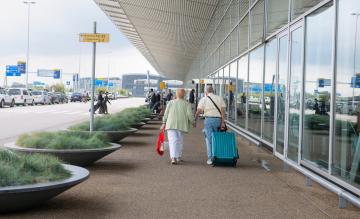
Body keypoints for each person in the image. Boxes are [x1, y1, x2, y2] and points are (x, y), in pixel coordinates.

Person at [161, 89, 195, 165]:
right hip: (182, 125)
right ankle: (178, 157)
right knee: (180, 141)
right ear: (184, 95)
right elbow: (190, 115)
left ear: (176, 95)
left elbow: (166, 113)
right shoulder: (187, 104)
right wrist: (193, 122)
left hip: (171, 124)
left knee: (173, 141)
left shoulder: (170, 102)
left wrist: (164, 122)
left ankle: (173, 158)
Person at [194, 85, 226, 165]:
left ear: (206, 92)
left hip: (208, 120)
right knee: (217, 138)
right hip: (218, 120)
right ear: (213, 91)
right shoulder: (219, 98)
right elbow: (222, 112)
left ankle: (210, 158)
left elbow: (198, 111)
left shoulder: (204, 99)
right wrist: (222, 122)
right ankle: (217, 156)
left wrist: (195, 120)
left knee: (209, 139)